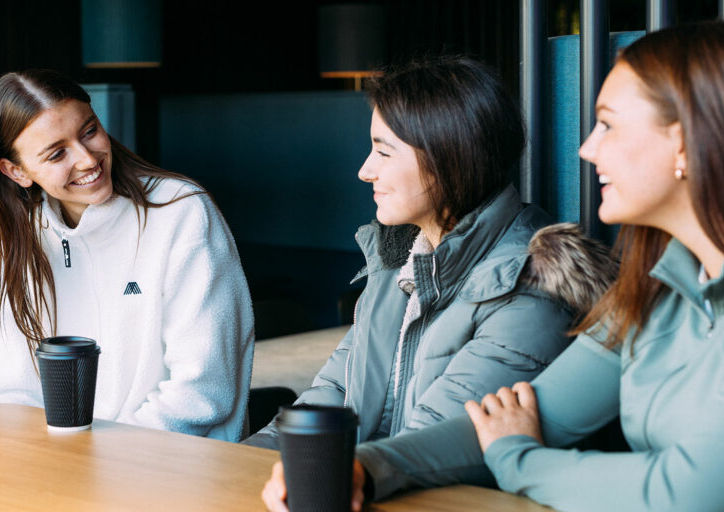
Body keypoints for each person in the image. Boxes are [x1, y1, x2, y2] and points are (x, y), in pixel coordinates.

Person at [262, 22, 724, 512]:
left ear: (687, 143)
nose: (587, 150)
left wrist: (517, 458)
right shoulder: (652, 290)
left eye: (608, 126)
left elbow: (674, 496)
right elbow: (512, 419)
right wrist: (366, 468)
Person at [244, 56, 615, 450]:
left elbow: (425, 448)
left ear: (448, 159)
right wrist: (247, 465)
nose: (365, 171)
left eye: (383, 153)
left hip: (436, 504)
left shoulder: (530, 285)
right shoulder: (398, 261)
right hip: (364, 488)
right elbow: (332, 393)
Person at [0, 69, 254, 441]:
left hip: (176, 468)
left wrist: (91, 462)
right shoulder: (22, 237)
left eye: (89, 131)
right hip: (64, 471)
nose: (88, 159)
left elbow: (201, 392)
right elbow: (9, 389)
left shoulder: (180, 211)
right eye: (57, 153)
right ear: (16, 171)